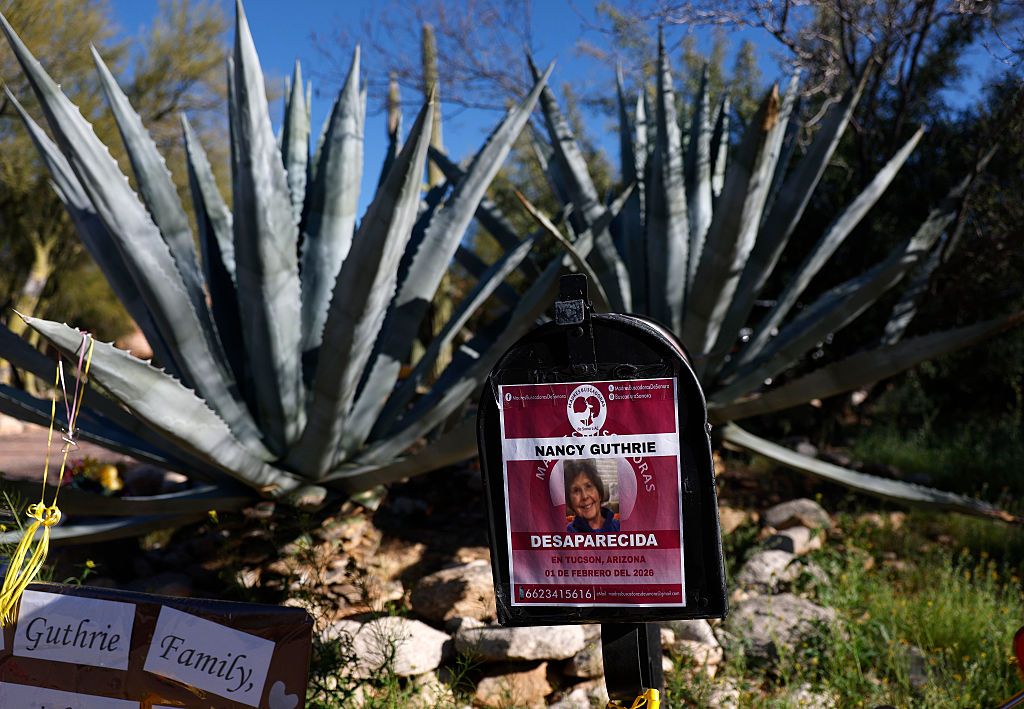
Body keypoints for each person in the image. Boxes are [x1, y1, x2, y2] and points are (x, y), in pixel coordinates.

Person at [564, 459, 619, 533]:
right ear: (570, 501)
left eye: (588, 486)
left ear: (599, 492)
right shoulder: (566, 534)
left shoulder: (620, 527)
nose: (584, 496)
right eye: (576, 490)